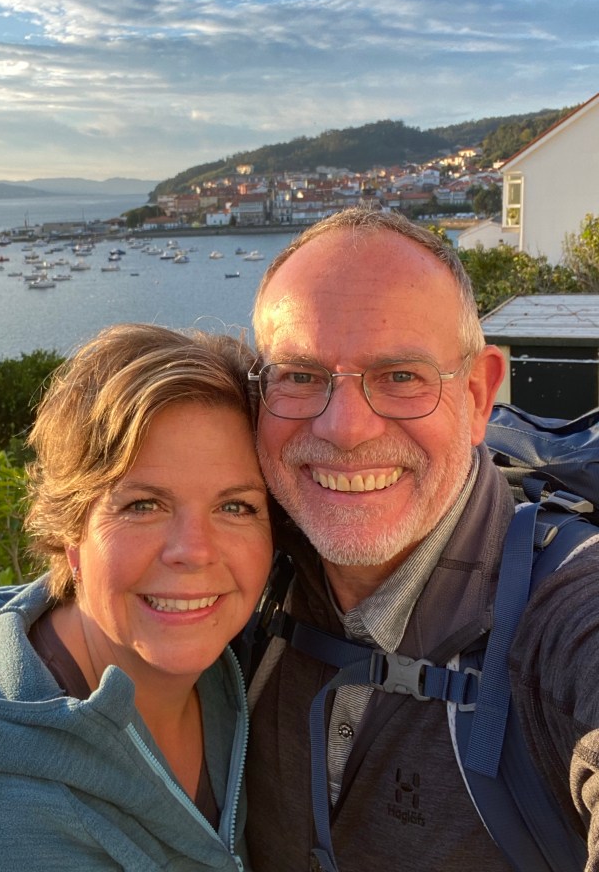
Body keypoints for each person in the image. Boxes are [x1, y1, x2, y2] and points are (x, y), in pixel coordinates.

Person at [0, 323, 273, 872]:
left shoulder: (242, 677)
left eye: (235, 507)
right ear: (71, 535)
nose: (194, 551)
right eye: (142, 505)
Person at [244, 208, 599, 871]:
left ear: (478, 394)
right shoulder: (241, 580)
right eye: (300, 375)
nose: (345, 429)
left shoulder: (567, 612)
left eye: (401, 376)